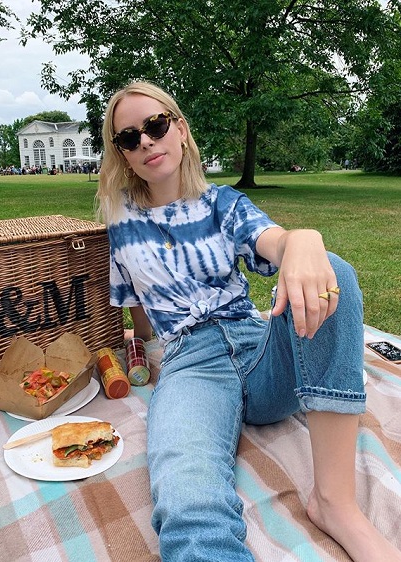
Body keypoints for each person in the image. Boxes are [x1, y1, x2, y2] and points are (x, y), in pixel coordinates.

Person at [97, 81, 401, 562]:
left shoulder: (224, 204)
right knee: (188, 498)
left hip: (258, 350)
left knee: (334, 272)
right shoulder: (120, 223)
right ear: (124, 155)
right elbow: (135, 308)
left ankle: (336, 503)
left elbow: (273, 241)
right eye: (129, 138)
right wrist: (135, 354)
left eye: (155, 126)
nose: (146, 142)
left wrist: (302, 239)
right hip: (190, 365)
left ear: (179, 128)